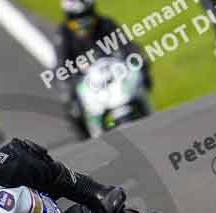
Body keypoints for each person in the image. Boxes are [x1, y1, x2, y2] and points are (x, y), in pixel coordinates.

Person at [55, 0, 150, 138]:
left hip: (115, 71)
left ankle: (146, 111)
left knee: (140, 76)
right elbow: (61, 65)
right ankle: (86, 139)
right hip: (87, 80)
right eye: (76, 17)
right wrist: (68, 83)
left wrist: (138, 58)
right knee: (71, 105)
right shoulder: (63, 34)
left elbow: (127, 45)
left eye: (87, 14)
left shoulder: (106, 23)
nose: (83, 21)